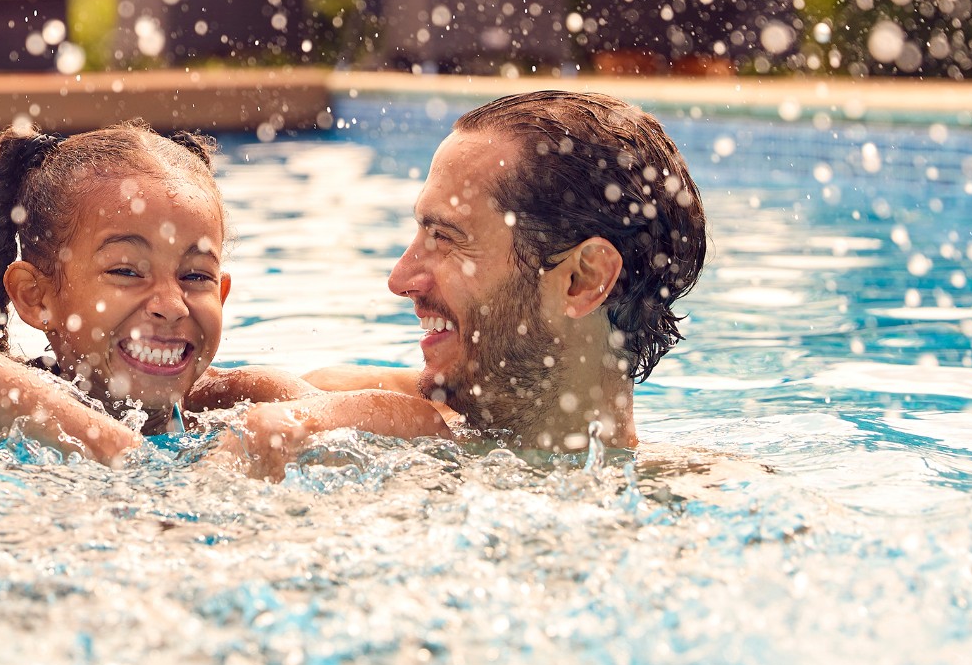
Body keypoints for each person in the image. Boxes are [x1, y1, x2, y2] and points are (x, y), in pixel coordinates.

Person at [0, 124, 450, 463]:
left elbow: (426, 423)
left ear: (224, 291)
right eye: (127, 271)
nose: (170, 304)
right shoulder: (1, 396)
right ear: (37, 298)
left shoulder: (229, 399)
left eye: (195, 277)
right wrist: (103, 439)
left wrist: (297, 421)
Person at [229, 90, 712, 477]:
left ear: (581, 280)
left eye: (445, 238)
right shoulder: (364, 420)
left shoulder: (699, 500)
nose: (400, 279)